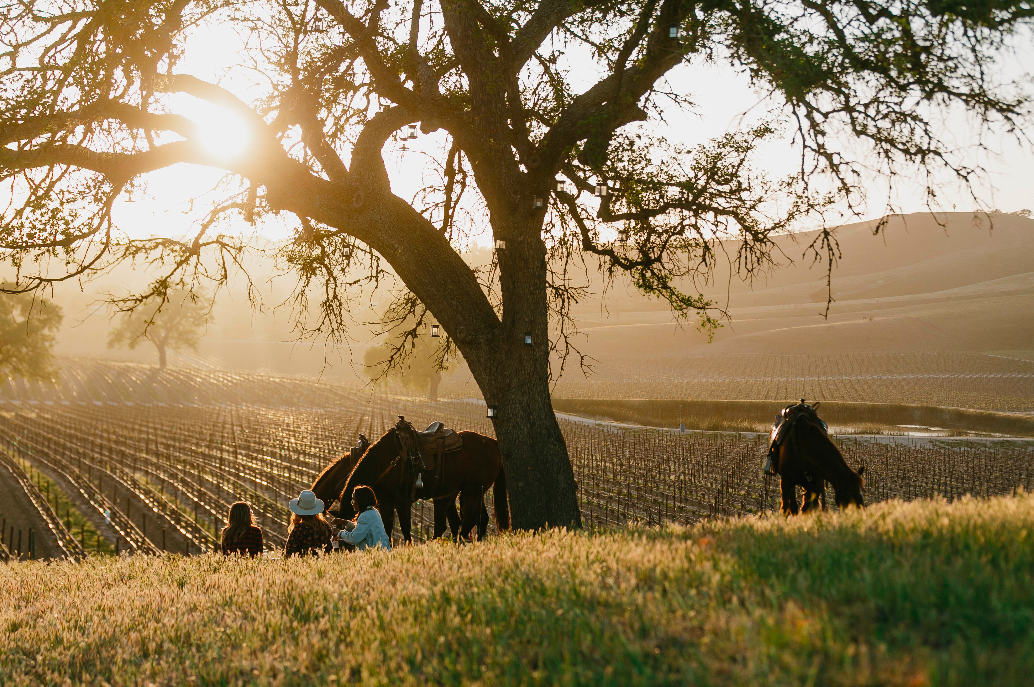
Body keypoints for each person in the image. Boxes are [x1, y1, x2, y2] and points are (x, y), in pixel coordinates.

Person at [338, 486, 391, 551]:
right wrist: (345, 522)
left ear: (360, 500)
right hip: (382, 551)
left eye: (353, 499)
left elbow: (354, 538)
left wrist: (339, 533)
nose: (352, 502)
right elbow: (361, 530)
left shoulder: (365, 516)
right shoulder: (373, 512)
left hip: (373, 554)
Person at [285, 490, 333, 557]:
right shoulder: (325, 527)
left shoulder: (299, 529)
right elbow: (329, 550)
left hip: (303, 565)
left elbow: (288, 553)